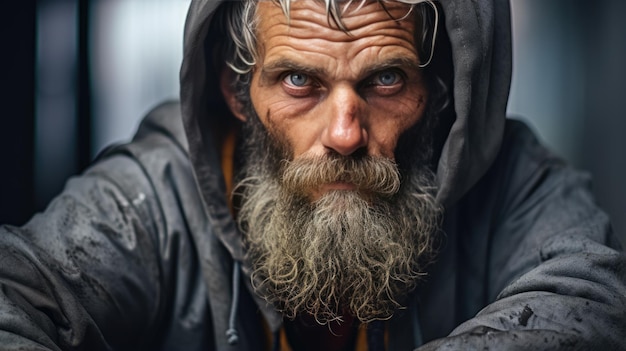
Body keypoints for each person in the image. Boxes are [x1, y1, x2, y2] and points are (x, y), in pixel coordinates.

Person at [1, 0, 624, 350]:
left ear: (436, 95)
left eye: (384, 80)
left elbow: (590, 303)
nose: (345, 134)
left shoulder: (509, 179)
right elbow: (16, 301)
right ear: (239, 94)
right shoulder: (154, 194)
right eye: (300, 81)